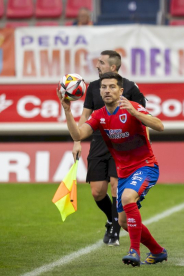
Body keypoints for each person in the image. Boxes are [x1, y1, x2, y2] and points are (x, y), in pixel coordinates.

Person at [58, 72, 167, 267]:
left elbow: (159, 126)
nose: (107, 90)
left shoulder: (132, 107)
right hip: (124, 172)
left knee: (126, 198)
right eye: (103, 87)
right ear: (99, 91)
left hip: (145, 166)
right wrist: (67, 111)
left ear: (121, 90)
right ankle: (158, 251)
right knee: (124, 222)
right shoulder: (99, 115)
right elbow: (79, 133)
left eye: (112, 87)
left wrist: (136, 114)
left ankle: (134, 250)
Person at [73, 50, 146, 246]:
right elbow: (85, 115)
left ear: (113, 67)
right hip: (98, 142)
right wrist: (77, 141)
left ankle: (115, 230)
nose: (97, 65)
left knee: (115, 186)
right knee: (97, 192)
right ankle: (110, 218)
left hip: (122, 144)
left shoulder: (130, 88)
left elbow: (143, 117)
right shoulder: (93, 87)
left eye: (101, 62)